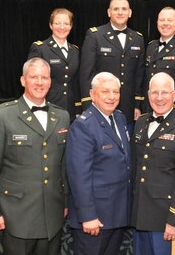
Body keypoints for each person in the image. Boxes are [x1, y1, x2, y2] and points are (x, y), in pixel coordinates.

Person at [0, 57, 70, 255]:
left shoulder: (62, 116)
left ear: (50, 81)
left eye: (44, 77)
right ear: (22, 80)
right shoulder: (1, 116)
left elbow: (62, 165)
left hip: (52, 214)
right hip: (17, 215)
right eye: (33, 77)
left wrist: (65, 202)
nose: (39, 82)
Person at [131, 72, 175, 255]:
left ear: (174, 95)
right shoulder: (141, 123)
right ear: (148, 94)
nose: (159, 98)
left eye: (165, 92)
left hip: (165, 219)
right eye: (154, 92)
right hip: (140, 214)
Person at [65, 72, 132, 255]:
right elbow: (79, 176)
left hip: (117, 213)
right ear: (92, 94)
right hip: (95, 218)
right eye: (105, 92)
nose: (111, 97)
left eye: (116, 92)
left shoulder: (119, 118)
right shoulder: (83, 126)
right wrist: (88, 215)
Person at [79, 0, 145, 132]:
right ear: (109, 12)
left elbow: (139, 74)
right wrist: (87, 105)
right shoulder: (95, 35)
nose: (120, 12)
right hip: (100, 106)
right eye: (116, 9)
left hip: (128, 108)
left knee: (125, 150)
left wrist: (137, 104)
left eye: (124, 9)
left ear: (130, 12)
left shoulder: (138, 38)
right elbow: (86, 72)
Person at [28, 8, 81, 121]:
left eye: (66, 23)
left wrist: (78, 109)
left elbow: (76, 82)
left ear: (71, 26)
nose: (62, 27)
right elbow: (32, 80)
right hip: (46, 106)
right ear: (51, 25)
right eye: (57, 23)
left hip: (70, 109)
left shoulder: (75, 51)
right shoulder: (40, 48)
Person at [143, 7, 175, 118]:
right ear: (157, 22)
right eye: (162, 20)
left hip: (171, 112)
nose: (165, 23)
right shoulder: (151, 47)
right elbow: (146, 80)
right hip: (150, 109)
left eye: (170, 20)